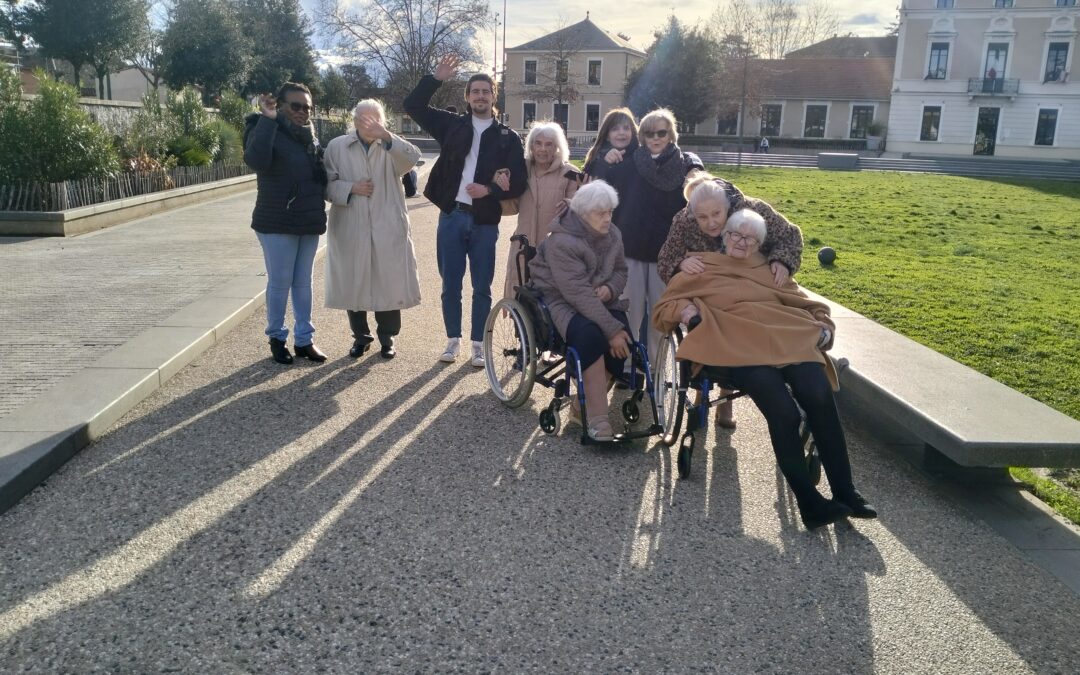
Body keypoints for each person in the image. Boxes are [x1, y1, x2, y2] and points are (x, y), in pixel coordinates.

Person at [652, 208, 877, 530]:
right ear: (724, 237)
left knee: (819, 395)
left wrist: (824, 327)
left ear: (760, 244)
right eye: (735, 235)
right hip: (736, 348)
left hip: (789, 339)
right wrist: (687, 311)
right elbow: (664, 308)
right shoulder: (700, 267)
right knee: (783, 412)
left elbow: (809, 305)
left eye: (750, 239)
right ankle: (809, 502)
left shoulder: (770, 269)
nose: (741, 243)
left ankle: (847, 491)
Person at [404, 54, 527, 367]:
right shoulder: (451, 126)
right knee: (451, 284)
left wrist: (490, 190)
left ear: (493, 96)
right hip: (452, 216)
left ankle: (477, 344)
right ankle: (452, 341)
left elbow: (520, 181)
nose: (480, 96)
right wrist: (436, 77)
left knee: (482, 286)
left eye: (486, 91)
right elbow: (413, 106)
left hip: (485, 221)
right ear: (468, 97)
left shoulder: (508, 138)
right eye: (475, 92)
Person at [656, 171, 805, 428]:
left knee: (745, 319)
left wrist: (781, 260)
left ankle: (726, 398)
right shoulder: (683, 221)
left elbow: (790, 235)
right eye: (702, 217)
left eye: (716, 214)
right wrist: (681, 262)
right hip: (711, 288)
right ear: (692, 213)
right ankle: (703, 391)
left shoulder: (752, 209)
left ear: (727, 206)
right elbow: (665, 258)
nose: (711, 223)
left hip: (749, 283)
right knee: (705, 319)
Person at [527, 181, 631, 442]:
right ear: (583, 214)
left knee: (625, 340)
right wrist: (611, 330)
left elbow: (621, 271)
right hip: (562, 301)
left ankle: (580, 404)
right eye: (601, 213)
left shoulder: (613, 234)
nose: (608, 218)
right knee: (592, 338)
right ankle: (598, 419)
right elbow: (577, 294)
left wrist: (610, 288)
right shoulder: (561, 242)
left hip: (599, 300)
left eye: (610, 212)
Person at [323, 99, 422, 360]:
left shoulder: (391, 146)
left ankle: (387, 338)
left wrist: (386, 136)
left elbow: (412, 159)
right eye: (363, 119)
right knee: (353, 282)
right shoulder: (337, 147)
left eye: (374, 119)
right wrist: (350, 188)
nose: (369, 124)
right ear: (353, 121)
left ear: (382, 121)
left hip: (387, 223)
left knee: (388, 283)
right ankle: (360, 337)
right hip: (350, 224)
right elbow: (325, 185)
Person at [606, 108, 703, 368]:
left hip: (667, 254)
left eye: (662, 132)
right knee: (630, 312)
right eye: (650, 133)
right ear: (643, 136)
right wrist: (606, 157)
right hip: (632, 248)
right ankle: (624, 368)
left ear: (671, 135)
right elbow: (602, 177)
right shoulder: (631, 162)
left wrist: (695, 165)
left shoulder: (684, 165)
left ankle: (656, 367)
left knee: (660, 316)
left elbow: (693, 164)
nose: (656, 138)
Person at [243, 82, 328, 365]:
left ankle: (304, 340)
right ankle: (277, 338)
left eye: (307, 107)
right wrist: (268, 121)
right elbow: (256, 161)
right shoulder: (264, 128)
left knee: (303, 283)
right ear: (280, 105)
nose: (303, 112)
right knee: (280, 282)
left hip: (307, 220)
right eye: (296, 106)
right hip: (277, 221)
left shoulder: (309, 137)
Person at [498, 120, 580, 299]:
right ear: (531, 146)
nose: (543, 149)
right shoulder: (521, 170)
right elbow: (512, 207)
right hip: (524, 245)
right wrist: (501, 192)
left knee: (552, 305)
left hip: (554, 248)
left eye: (549, 144)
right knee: (520, 301)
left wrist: (570, 203)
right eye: (538, 143)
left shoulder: (570, 173)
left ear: (557, 147)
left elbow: (582, 204)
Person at [582, 107, 639, 182]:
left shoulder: (641, 158)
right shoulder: (595, 160)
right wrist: (604, 164)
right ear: (607, 136)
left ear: (632, 133)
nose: (621, 132)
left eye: (626, 128)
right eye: (615, 129)